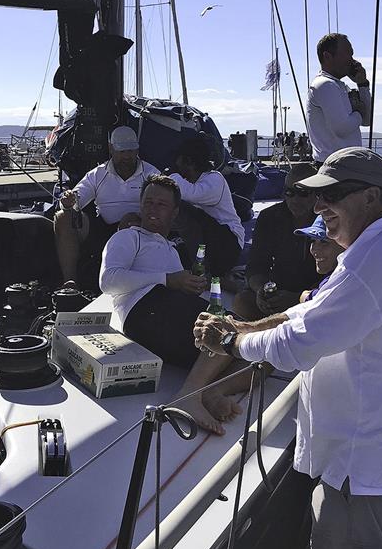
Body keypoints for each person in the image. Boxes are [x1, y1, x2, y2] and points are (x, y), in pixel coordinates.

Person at [194, 147, 382, 549]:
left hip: (368, 477)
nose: (317, 208)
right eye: (315, 196)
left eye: (331, 195)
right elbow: (310, 309)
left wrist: (229, 346)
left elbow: (296, 347)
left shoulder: (375, 263)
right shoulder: (377, 250)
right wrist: (245, 327)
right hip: (380, 467)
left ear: (372, 198)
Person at [99, 175, 243, 435]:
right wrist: (168, 280)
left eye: (162, 204)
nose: (153, 209)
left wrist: (193, 286)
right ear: (140, 206)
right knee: (230, 328)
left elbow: (178, 291)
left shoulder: (172, 250)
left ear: (175, 213)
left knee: (259, 347)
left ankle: (209, 391)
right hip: (145, 308)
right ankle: (189, 395)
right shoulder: (129, 238)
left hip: (170, 312)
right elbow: (108, 281)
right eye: (149, 202)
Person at [54, 126, 159, 287]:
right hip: (102, 228)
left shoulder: (151, 173)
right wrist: (68, 201)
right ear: (111, 149)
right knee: (62, 217)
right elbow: (77, 198)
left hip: (139, 228)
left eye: (130, 151)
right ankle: (70, 283)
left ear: (137, 150)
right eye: (122, 151)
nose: (127, 156)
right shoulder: (98, 174)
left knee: (129, 221)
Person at [233, 163, 321, 320]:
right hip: (278, 294)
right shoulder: (269, 218)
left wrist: (297, 299)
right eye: (289, 192)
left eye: (303, 193)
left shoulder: (328, 220)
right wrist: (262, 290)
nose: (295, 199)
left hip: (314, 297)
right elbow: (256, 265)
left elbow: (334, 276)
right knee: (242, 302)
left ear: (317, 194)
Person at [169, 136, 244, 278]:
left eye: (178, 161)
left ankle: (203, 271)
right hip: (207, 242)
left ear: (189, 161)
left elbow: (192, 194)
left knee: (182, 210)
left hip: (227, 243)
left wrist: (171, 175)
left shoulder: (215, 179)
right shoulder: (190, 182)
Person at [306, 33, 371, 164]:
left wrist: (362, 84)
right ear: (327, 56)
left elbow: (367, 120)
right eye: (348, 53)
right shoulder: (325, 85)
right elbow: (341, 128)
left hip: (344, 165)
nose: (352, 60)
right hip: (336, 167)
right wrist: (358, 111)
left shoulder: (336, 86)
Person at [293, 215, 345, 302]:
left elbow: (314, 300)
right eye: (312, 241)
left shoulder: (343, 278)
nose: (314, 249)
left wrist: (302, 296)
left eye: (324, 242)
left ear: (344, 244)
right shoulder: (333, 277)